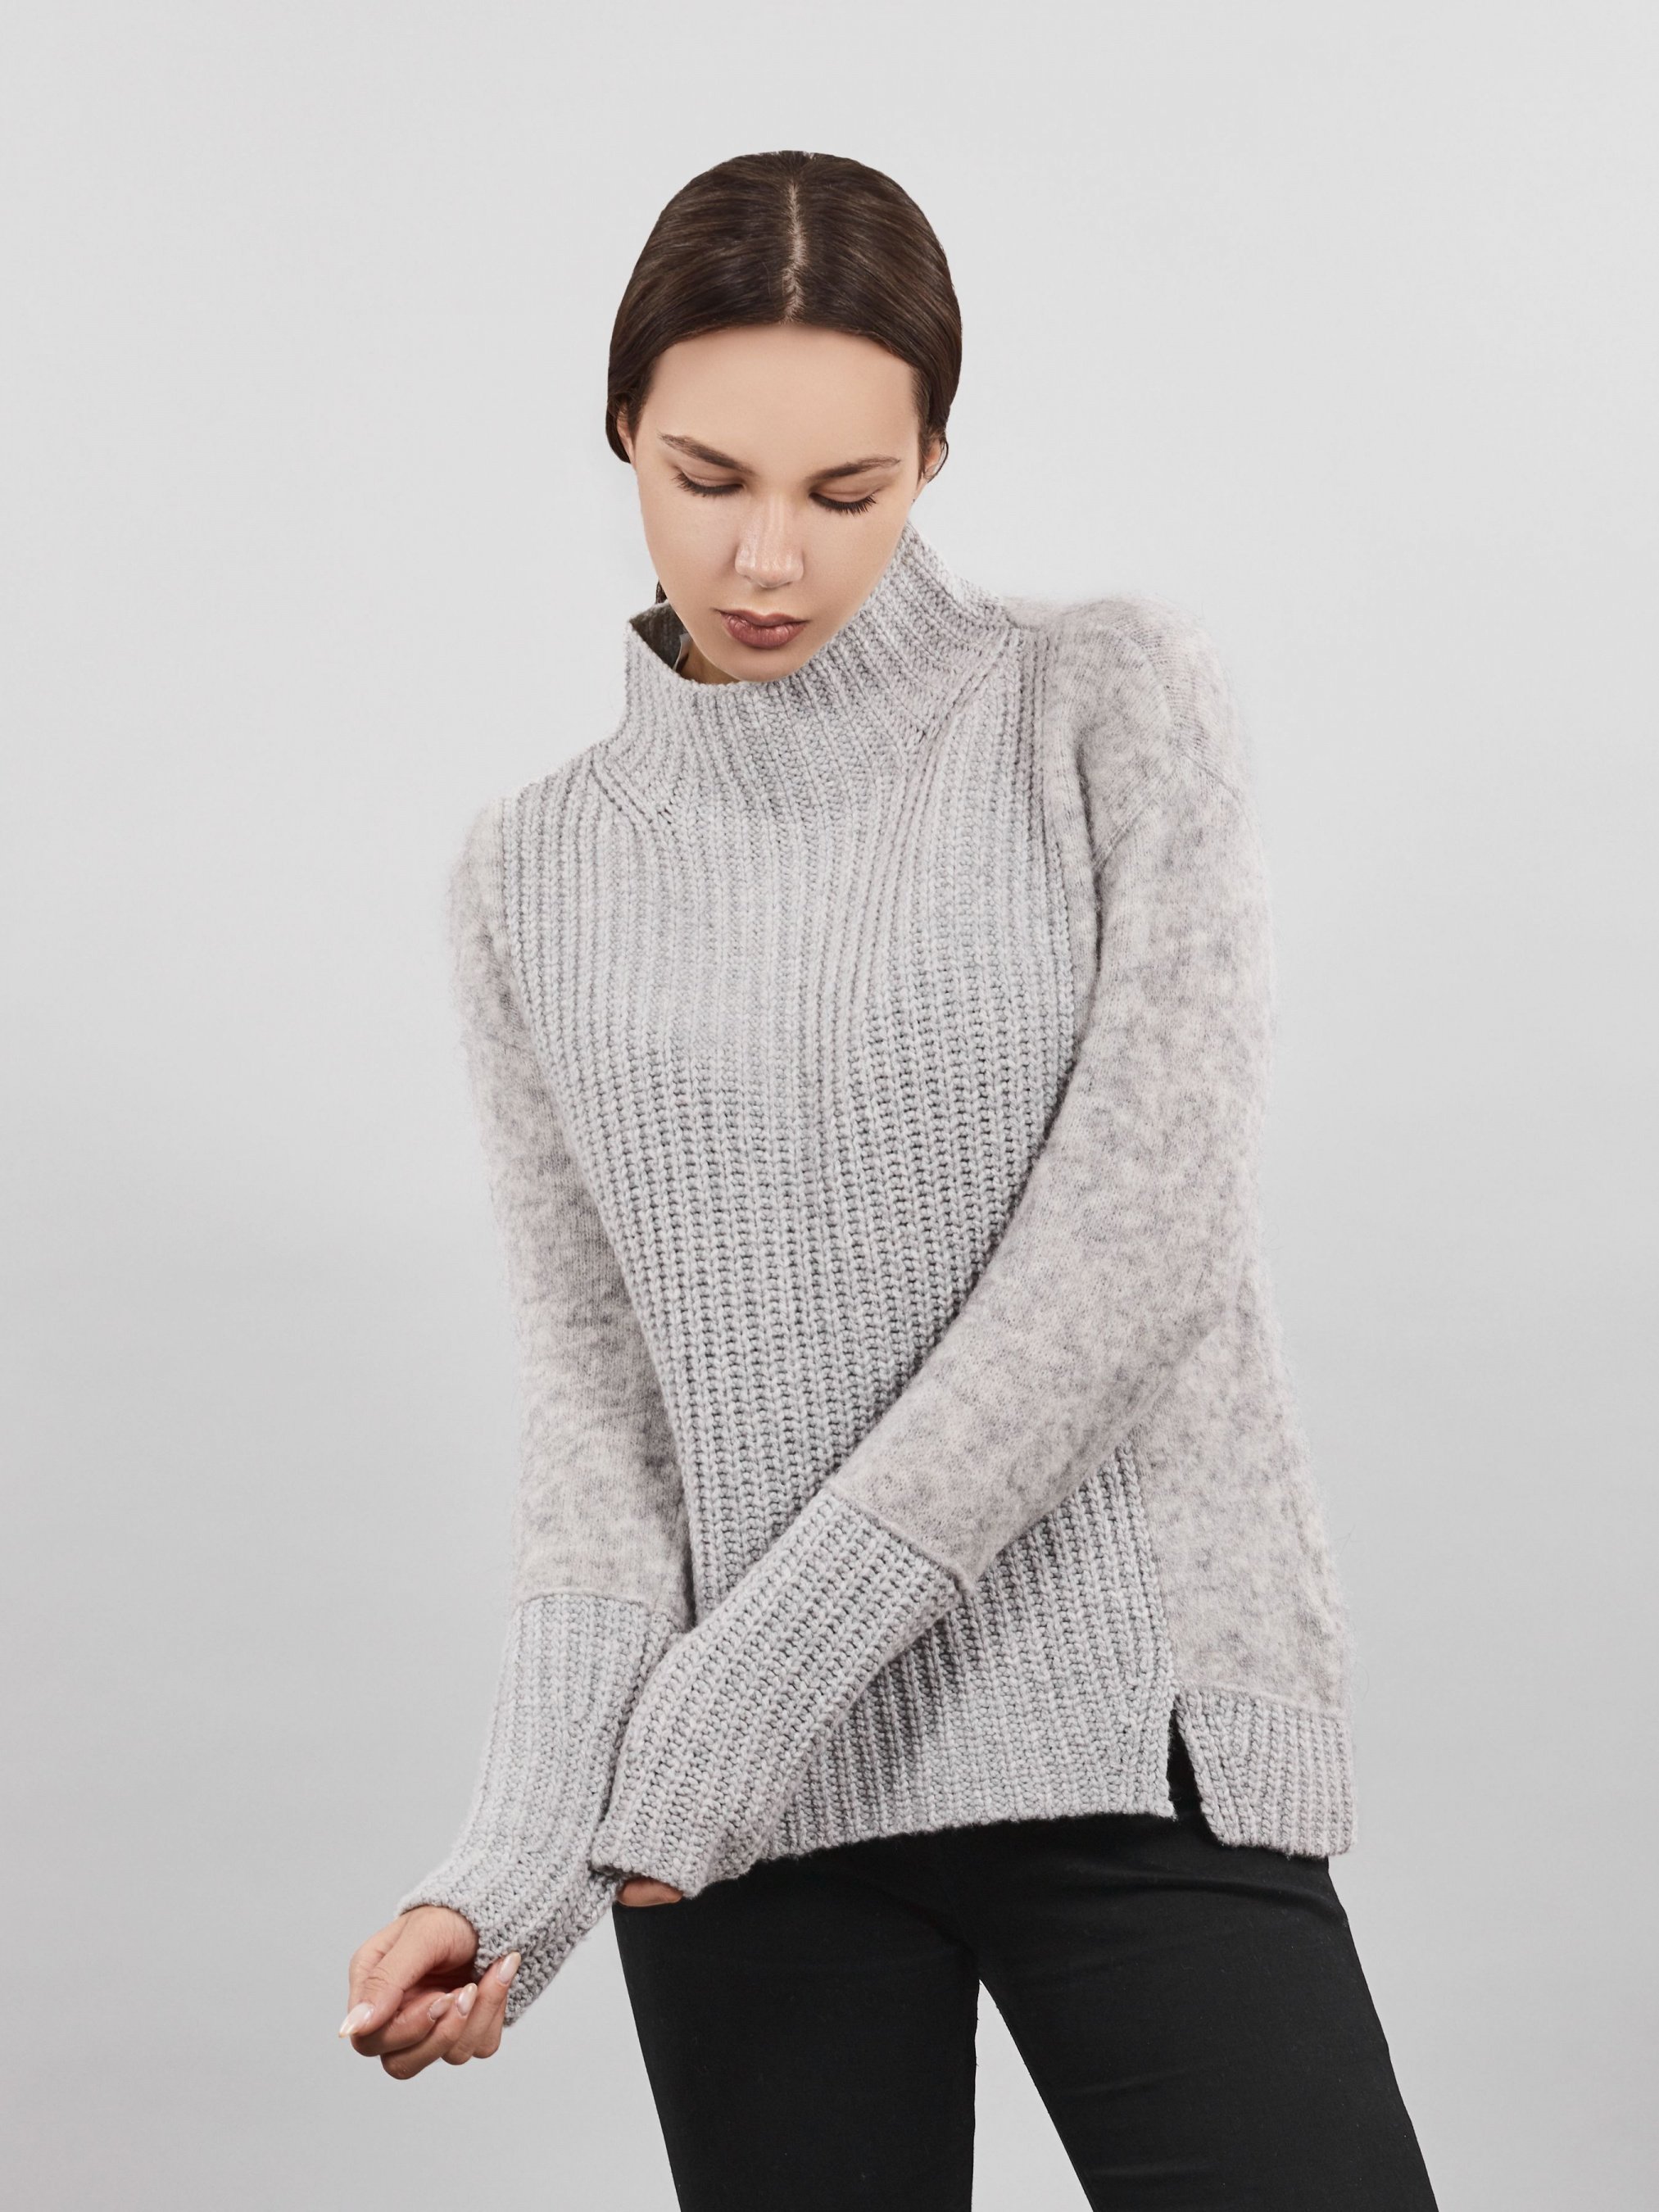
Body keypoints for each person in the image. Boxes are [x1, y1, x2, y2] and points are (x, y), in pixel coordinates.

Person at [338, 150, 1439, 2210]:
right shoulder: (531, 873)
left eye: (845, 491)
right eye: (706, 477)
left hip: (1115, 1739)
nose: (766, 555)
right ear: (621, 431)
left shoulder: (1097, 702)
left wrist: (744, 1688)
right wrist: (507, 1869)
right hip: (740, 1838)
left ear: (931, 456)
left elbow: (1134, 1246)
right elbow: (604, 1411)